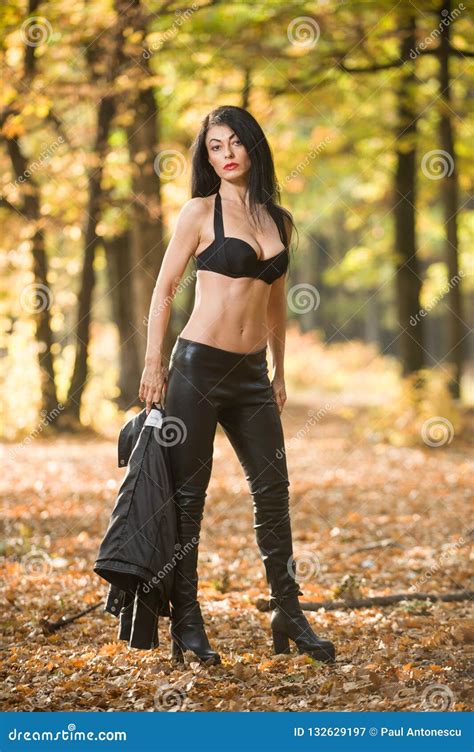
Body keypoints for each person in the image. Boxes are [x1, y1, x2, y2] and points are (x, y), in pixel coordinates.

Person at [139, 105, 335, 666]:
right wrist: (154, 364)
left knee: (274, 493)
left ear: (253, 147)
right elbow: (164, 290)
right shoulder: (198, 213)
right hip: (196, 368)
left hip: (251, 378)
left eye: (234, 144)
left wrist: (280, 370)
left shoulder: (278, 219)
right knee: (188, 502)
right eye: (214, 147)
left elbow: (275, 304)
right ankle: (188, 624)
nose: (224, 155)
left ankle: (287, 611)